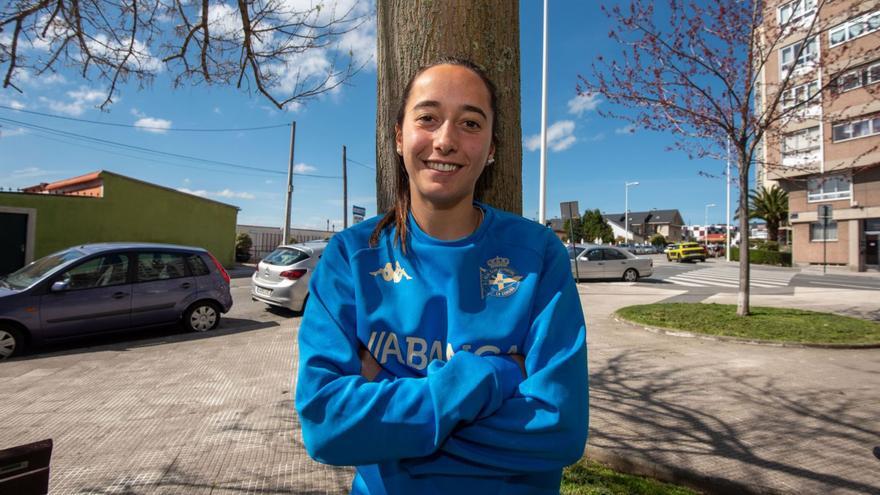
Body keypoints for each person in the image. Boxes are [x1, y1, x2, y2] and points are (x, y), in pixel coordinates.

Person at [295, 57, 588, 494]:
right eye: (428, 118)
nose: (446, 140)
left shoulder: (538, 255)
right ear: (398, 137)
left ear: (491, 149)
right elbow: (326, 424)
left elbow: (559, 428)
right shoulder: (351, 256)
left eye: (470, 123)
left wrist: (391, 427)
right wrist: (496, 376)